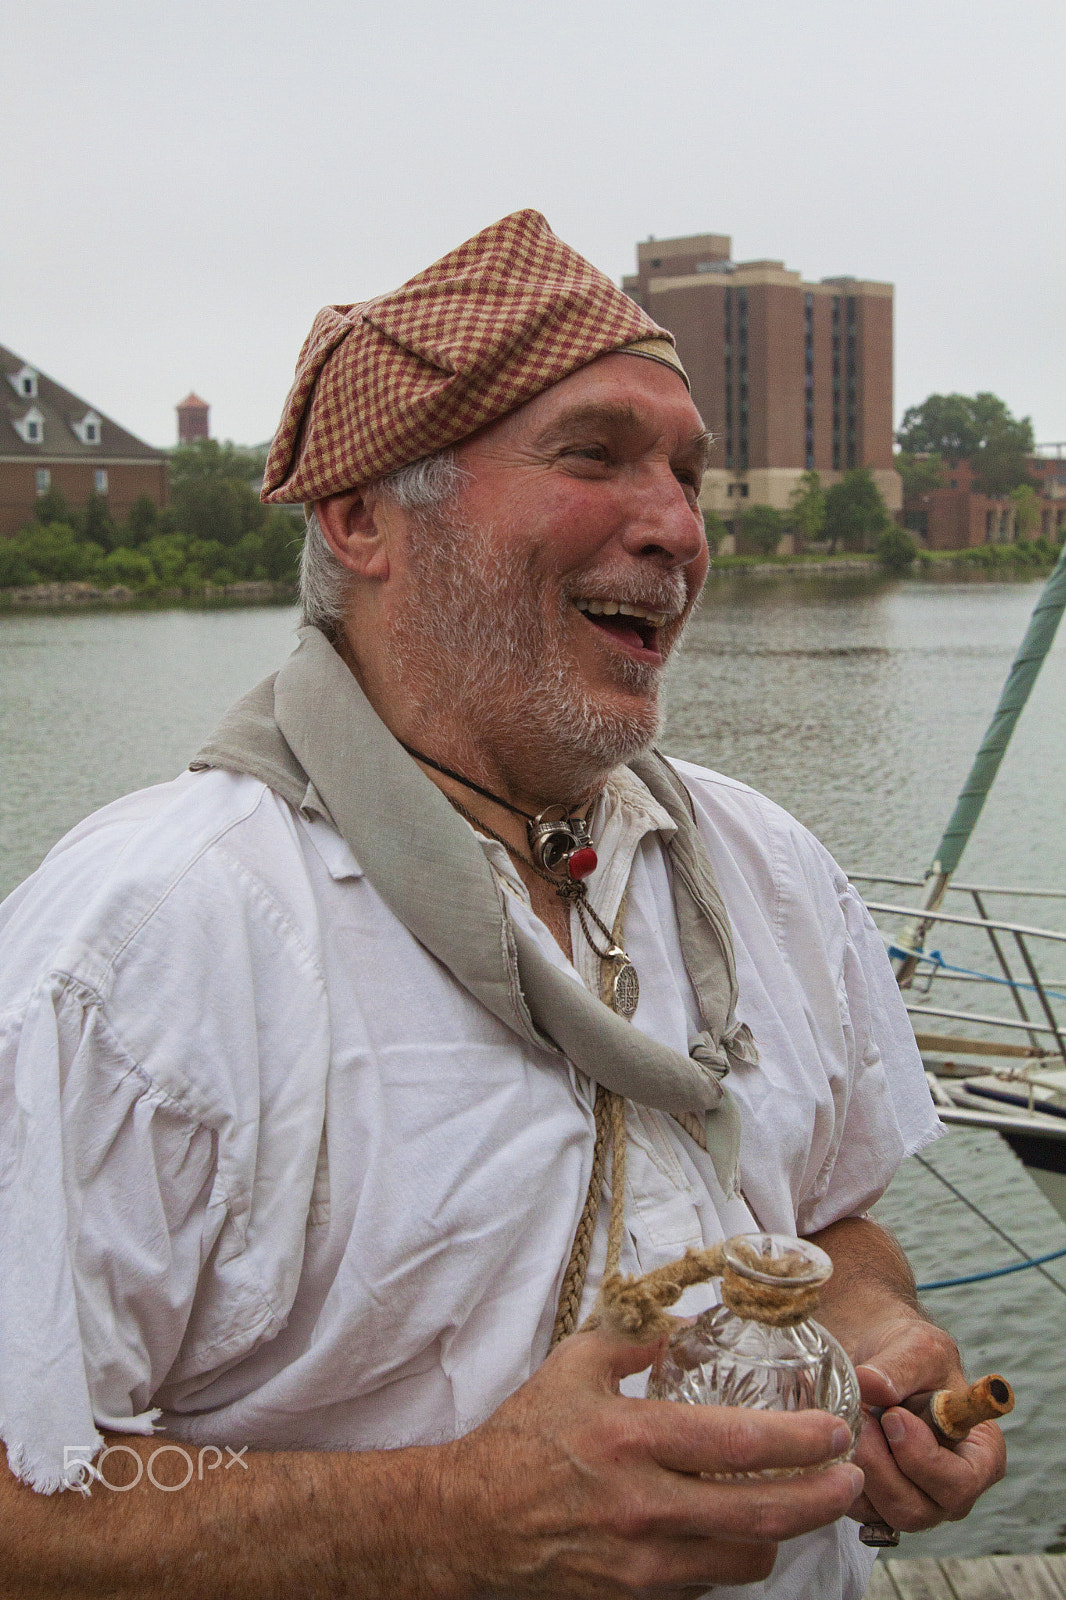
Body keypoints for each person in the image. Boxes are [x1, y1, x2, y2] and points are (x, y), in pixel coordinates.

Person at [0, 210, 1003, 1599]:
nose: (672, 528)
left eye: (687, 473)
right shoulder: (144, 943)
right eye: (592, 456)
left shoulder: (765, 866)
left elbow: (830, 1227)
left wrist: (878, 1337)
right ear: (359, 516)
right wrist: (451, 1514)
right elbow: (21, 1490)